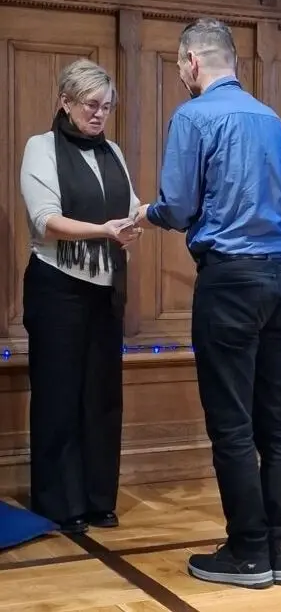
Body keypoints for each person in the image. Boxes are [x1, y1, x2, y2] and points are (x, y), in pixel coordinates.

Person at [135, 18, 281, 589]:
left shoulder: (193, 115)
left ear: (191, 62)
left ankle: (248, 554)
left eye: (179, 65)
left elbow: (179, 206)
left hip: (229, 280)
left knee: (231, 424)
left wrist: (145, 214)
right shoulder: (270, 118)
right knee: (275, 422)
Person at [20, 59, 142, 534]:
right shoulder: (41, 147)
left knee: (101, 396)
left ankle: (97, 499)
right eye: (91, 105)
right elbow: (45, 220)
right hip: (58, 287)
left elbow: (129, 207)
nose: (99, 114)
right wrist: (104, 231)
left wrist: (142, 221)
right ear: (66, 102)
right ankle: (60, 503)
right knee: (58, 394)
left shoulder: (113, 151)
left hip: (104, 290)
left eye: (106, 107)